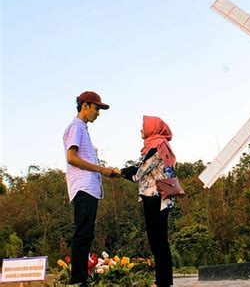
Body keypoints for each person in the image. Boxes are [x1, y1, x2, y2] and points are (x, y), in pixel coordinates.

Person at [63, 91, 120, 286]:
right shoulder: (76, 127)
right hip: (83, 187)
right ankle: (78, 280)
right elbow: (71, 157)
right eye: (96, 108)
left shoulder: (82, 128)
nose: (98, 113)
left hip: (89, 188)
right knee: (82, 233)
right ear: (85, 105)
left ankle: (80, 279)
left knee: (86, 234)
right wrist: (102, 169)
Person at [121, 115, 176, 287]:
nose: (141, 130)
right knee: (158, 239)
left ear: (152, 128)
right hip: (156, 196)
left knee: (157, 239)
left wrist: (118, 172)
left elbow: (140, 171)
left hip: (155, 197)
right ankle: (163, 280)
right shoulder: (156, 146)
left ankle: (163, 281)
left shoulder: (157, 146)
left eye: (143, 126)